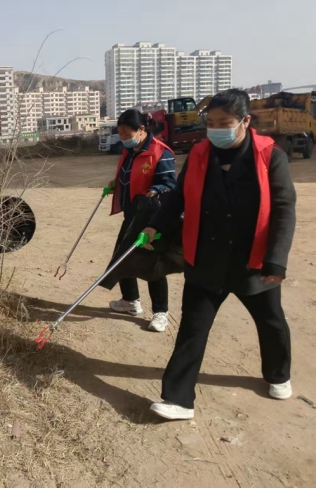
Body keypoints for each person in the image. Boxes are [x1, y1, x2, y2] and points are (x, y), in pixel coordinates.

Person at [143, 89, 297, 420]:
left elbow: (284, 210)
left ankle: (278, 374)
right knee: (192, 329)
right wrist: (156, 226)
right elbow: (177, 197)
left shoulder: (271, 156)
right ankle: (178, 399)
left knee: (271, 322)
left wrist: (276, 260)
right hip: (206, 257)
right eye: (210, 123)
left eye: (224, 123)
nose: (215, 129)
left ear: (245, 121)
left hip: (252, 260)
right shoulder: (200, 154)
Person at [108, 109, 177, 332]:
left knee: (152, 262)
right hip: (132, 214)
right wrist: (116, 182)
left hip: (153, 217)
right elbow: (129, 175)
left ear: (141, 130)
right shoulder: (130, 152)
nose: (123, 138)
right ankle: (130, 301)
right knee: (123, 256)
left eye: (127, 133)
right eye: (120, 134)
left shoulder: (161, 153)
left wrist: (156, 188)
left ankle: (161, 312)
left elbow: (170, 184)